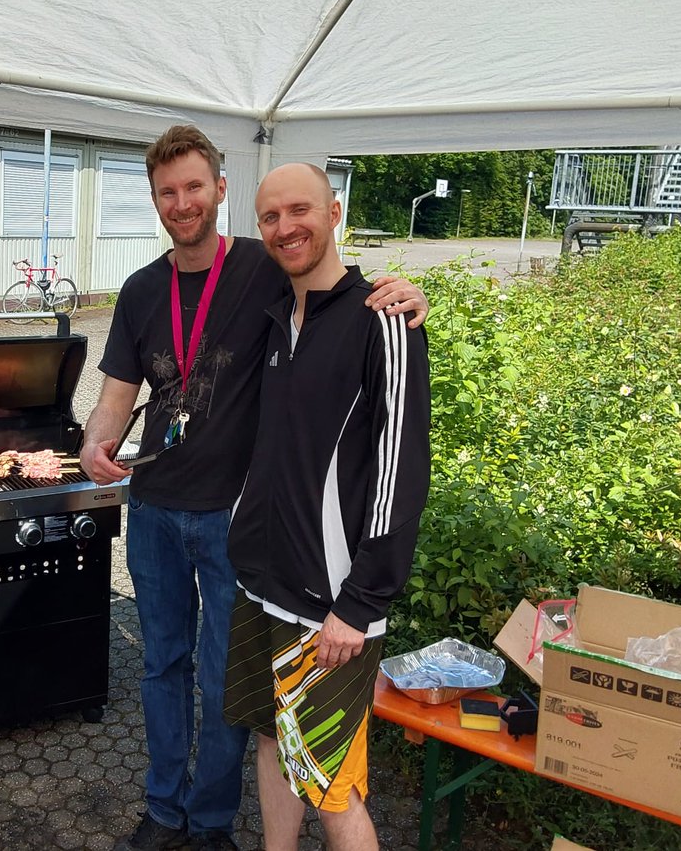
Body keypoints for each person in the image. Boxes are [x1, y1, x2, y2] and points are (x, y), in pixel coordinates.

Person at [80, 126, 428, 851]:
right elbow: (118, 390)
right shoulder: (144, 290)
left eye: (194, 188)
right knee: (162, 666)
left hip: (232, 520)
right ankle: (165, 809)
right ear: (155, 200)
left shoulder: (264, 268)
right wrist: (94, 439)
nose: (183, 204)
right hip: (155, 512)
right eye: (168, 193)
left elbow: (330, 276)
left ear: (219, 190)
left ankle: (209, 823)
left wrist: (402, 288)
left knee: (223, 683)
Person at [222, 163, 431, 851]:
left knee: (332, 784)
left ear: (334, 211)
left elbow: (402, 477)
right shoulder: (276, 315)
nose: (286, 227)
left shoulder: (386, 321)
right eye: (270, 217)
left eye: (299, 210)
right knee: (271, 745)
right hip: (262, 584)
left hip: (332, 607)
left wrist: (361, 604)